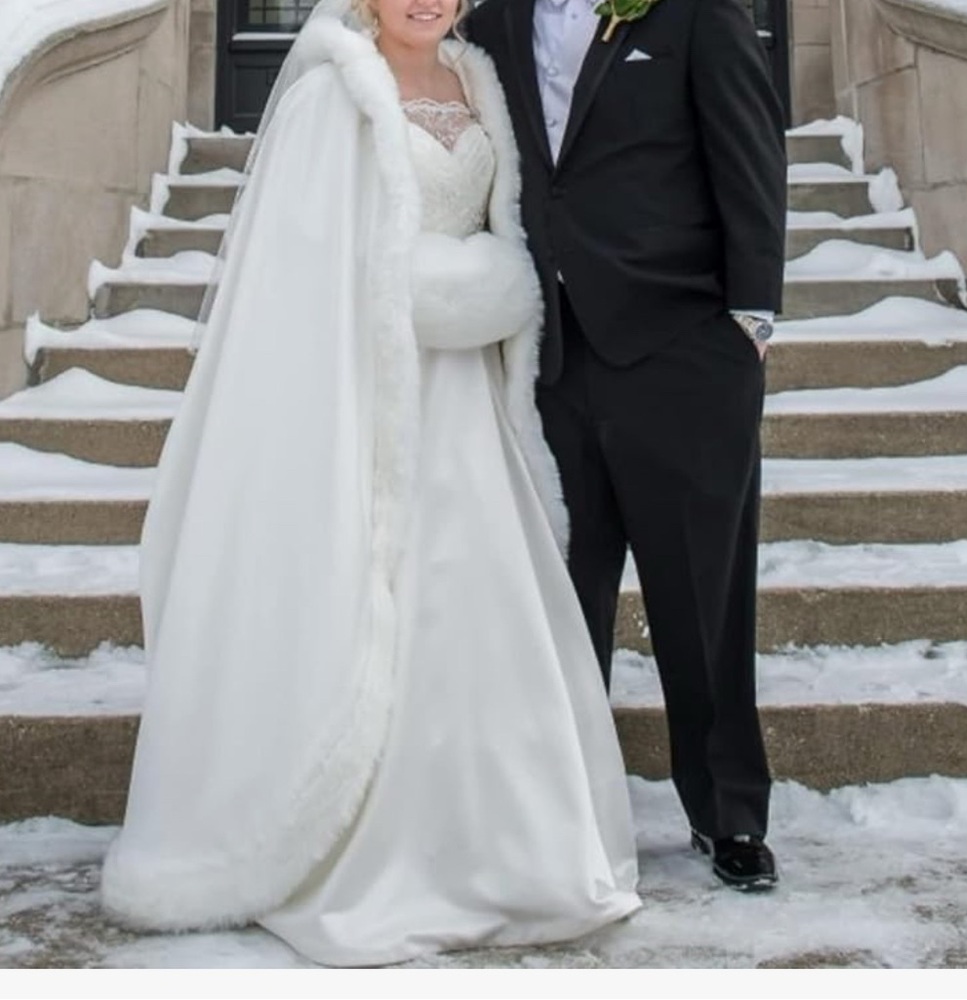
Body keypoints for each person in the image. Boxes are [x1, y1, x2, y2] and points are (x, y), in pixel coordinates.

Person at [99, 0, 640, 967]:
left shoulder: (480, 80)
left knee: (482, 607)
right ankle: (360, 842)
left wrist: (493, 288)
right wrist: (459, 291)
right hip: (372, 403)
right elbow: (307, 273)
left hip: (471, 404)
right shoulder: (332, 96)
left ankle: (501, 844)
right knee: (384, 601)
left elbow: (508, 226)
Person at [464, 0, 788, 890]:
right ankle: (564, 808)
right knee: (563, 601)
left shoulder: (696, 14)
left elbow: (750, 151)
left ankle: (727, 816)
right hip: (548, 358)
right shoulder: (489, 27)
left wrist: (749, 320)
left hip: (682, 346)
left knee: (702, 597)